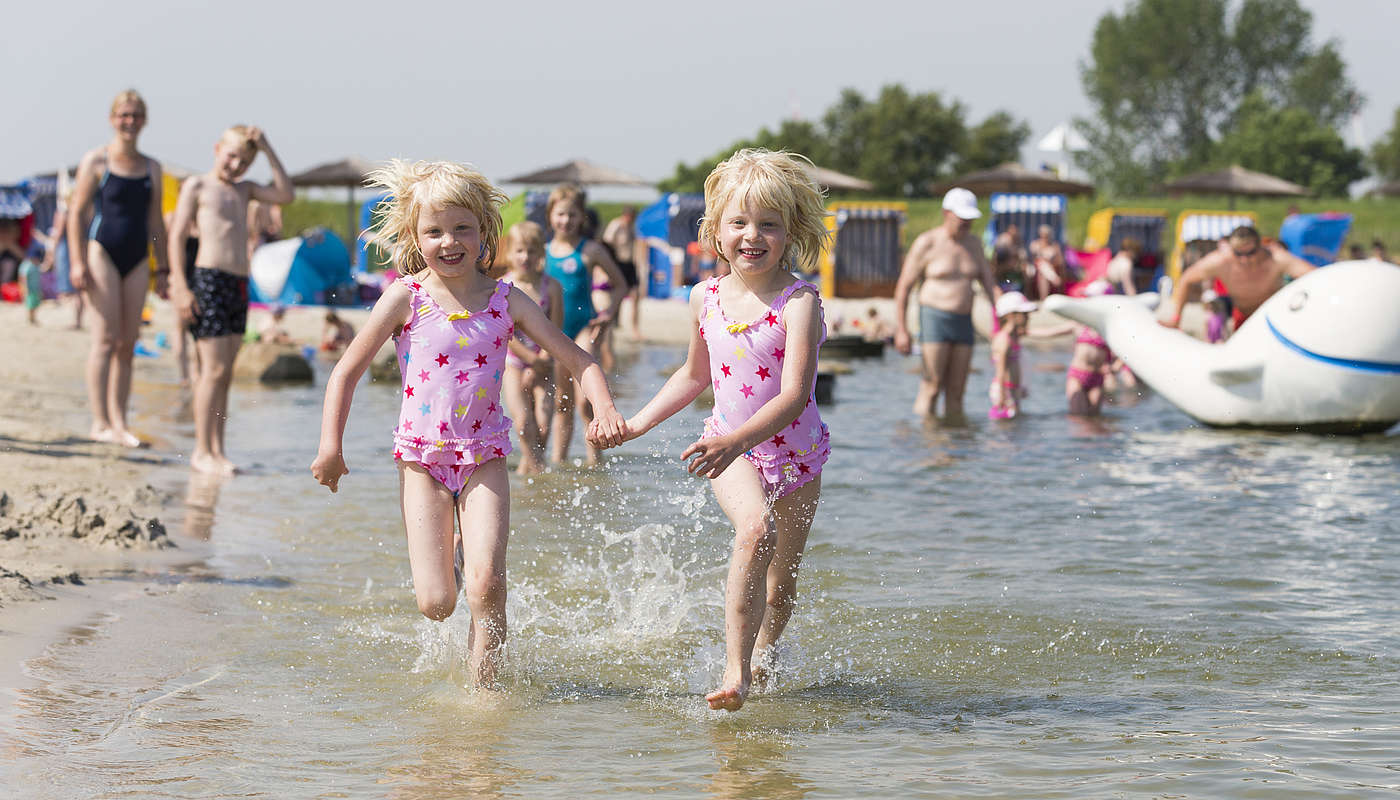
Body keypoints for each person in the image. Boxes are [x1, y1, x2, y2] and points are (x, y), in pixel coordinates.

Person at [310, 159, 625, 688]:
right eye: (434, 231)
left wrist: (606, 408)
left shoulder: (508, 301)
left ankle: (485, 698)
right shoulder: (405, 297)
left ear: (485, 233)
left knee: (489, 586)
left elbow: (580, 361)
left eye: (462, 228)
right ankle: (454, 555)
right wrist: (330, 447)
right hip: (422, 463)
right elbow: (345, 372)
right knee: (437, 604)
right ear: (414, 236)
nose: (449, 241)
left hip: (485, 458)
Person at [603, 149, 830, 712]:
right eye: (739, 223)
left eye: (769, 225)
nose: (753, 236)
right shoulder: (704, 296)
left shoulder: (798, 302)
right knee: (754, 530)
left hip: (796, 455)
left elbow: (794, 394)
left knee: (779, 590)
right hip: (734, 451)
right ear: (716, 231)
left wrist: (736, 440)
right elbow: (693, 374)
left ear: (790, 231)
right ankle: (735, 672)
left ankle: (763, 654)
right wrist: (635, 424)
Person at [167, 125, 294, 475]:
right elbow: (176, 237)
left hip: (238, 284)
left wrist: (267, 148)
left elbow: (286, 194)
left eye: (244, 161)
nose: (236, 165)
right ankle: (201, 450)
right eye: (232, 155)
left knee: (226, 374)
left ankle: (218, 449)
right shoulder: (197, 186)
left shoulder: (246, 190)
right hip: (208, 279)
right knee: (212, 370)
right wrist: (180, 285)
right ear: (217, 148)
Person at [67, 89, 170, 448]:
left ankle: (120, 422)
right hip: (102, 253)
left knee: (128, 343)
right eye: (124, 115)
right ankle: (99, 423)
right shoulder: (96, 161)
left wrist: (164, 269)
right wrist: (78, 262)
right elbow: (77, 214)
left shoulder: (152, 167)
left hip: (138, 258)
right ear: (113, 119)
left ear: (144, 120)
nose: (130, 122)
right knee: (105, 340)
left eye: (136, 115)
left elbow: (156, 221)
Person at [892, 187, 1000, 420]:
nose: (966, 224)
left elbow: (989, 284)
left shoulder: (974, 244)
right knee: (932, 385)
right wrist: (902, 330)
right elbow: (903, 288)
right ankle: (928, 442)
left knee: (957, 392)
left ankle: (955, 445)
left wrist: (1001, 321)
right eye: (962, 218)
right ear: (946, 213)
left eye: (970, 219)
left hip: (964, 321)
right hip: (935, 318)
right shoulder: (927, 243)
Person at [543, 184, 627, 466]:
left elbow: (620, 284)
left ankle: (596, 460)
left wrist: (608, 314)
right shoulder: (543, 254)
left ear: (582, 218)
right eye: (561, 214)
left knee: (584, 402)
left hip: (584, 329)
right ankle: (559, 462)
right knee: (561, 403)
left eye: (573, 215)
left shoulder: (590, 250)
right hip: (554, 331)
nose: (566, 221)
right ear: (550, 216)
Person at [1162, 225, 1314, 331]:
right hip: (1241, 316)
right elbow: (1187, 279)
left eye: (1250, 253)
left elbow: (1315, 274)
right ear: (1231, 249)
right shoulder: (1221, 261)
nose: (1244, 260)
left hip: (1273, 316)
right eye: (1238, 254)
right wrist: (1176, 318)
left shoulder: (1276, 258)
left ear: (1260, 246)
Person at [500, 220, 562, 475]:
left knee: (544, 425)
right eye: (520, 251)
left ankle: (529, 470)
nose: (525, 257)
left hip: (545, 361)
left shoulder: (552, 287)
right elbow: (505, 332)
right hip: (513, 364)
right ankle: (539, 474)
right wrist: (529, 361)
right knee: (524, 424)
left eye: (532, 251)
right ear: (509, 253)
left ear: (541, 254)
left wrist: (541, 362)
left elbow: (555, 328)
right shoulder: (501, 288)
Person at [988, 291, 1037, 419]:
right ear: (1011, 315)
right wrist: (1002, 396)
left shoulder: (1013, 336)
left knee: (1014, 426)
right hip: (1005, 389)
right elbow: (1001, 370)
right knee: (1006, 430)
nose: (1028, 317)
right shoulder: (1004, 340)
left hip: (1012, 389)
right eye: (1025, 314)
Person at [602, 205, 643, 341]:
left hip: (630, 264)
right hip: (618, 263)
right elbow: (606, 243)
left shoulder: (632, 227)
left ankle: (635, 328)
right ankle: (613, 323)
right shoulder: (616, 225)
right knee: (616, 294)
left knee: (635, 295)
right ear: (625, 216)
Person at [1028, 224, 1066, 299]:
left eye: (1047, 235)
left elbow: (1060, 260)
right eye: (1044, 234)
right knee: (1042, 265)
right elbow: (1032, 259)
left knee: (1043, 273)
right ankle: (1054, 279)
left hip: (1051, 268)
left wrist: (1052, 263)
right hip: (1037, 268)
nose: (1045, 237)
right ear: (1040, 234)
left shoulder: (1054, 246)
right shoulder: (1035, 244)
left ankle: (1044, 298)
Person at [19, 254, 46, 325]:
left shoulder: (36, 265)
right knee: (30, 304)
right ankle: (30, 319)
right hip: (29, 289)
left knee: (35, 304)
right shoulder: (27, 265)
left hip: (36, 288)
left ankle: (33, 318)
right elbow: (23, 278)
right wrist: (24, 288)